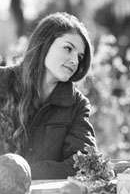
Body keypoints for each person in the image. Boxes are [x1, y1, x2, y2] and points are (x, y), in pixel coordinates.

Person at [0, 12, 97, 179]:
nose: (75, 60)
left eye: (80, 57)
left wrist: (22, 172)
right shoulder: (2, 82)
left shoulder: (77, 104)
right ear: (44, 43)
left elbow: (85, 164)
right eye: (68, 48)